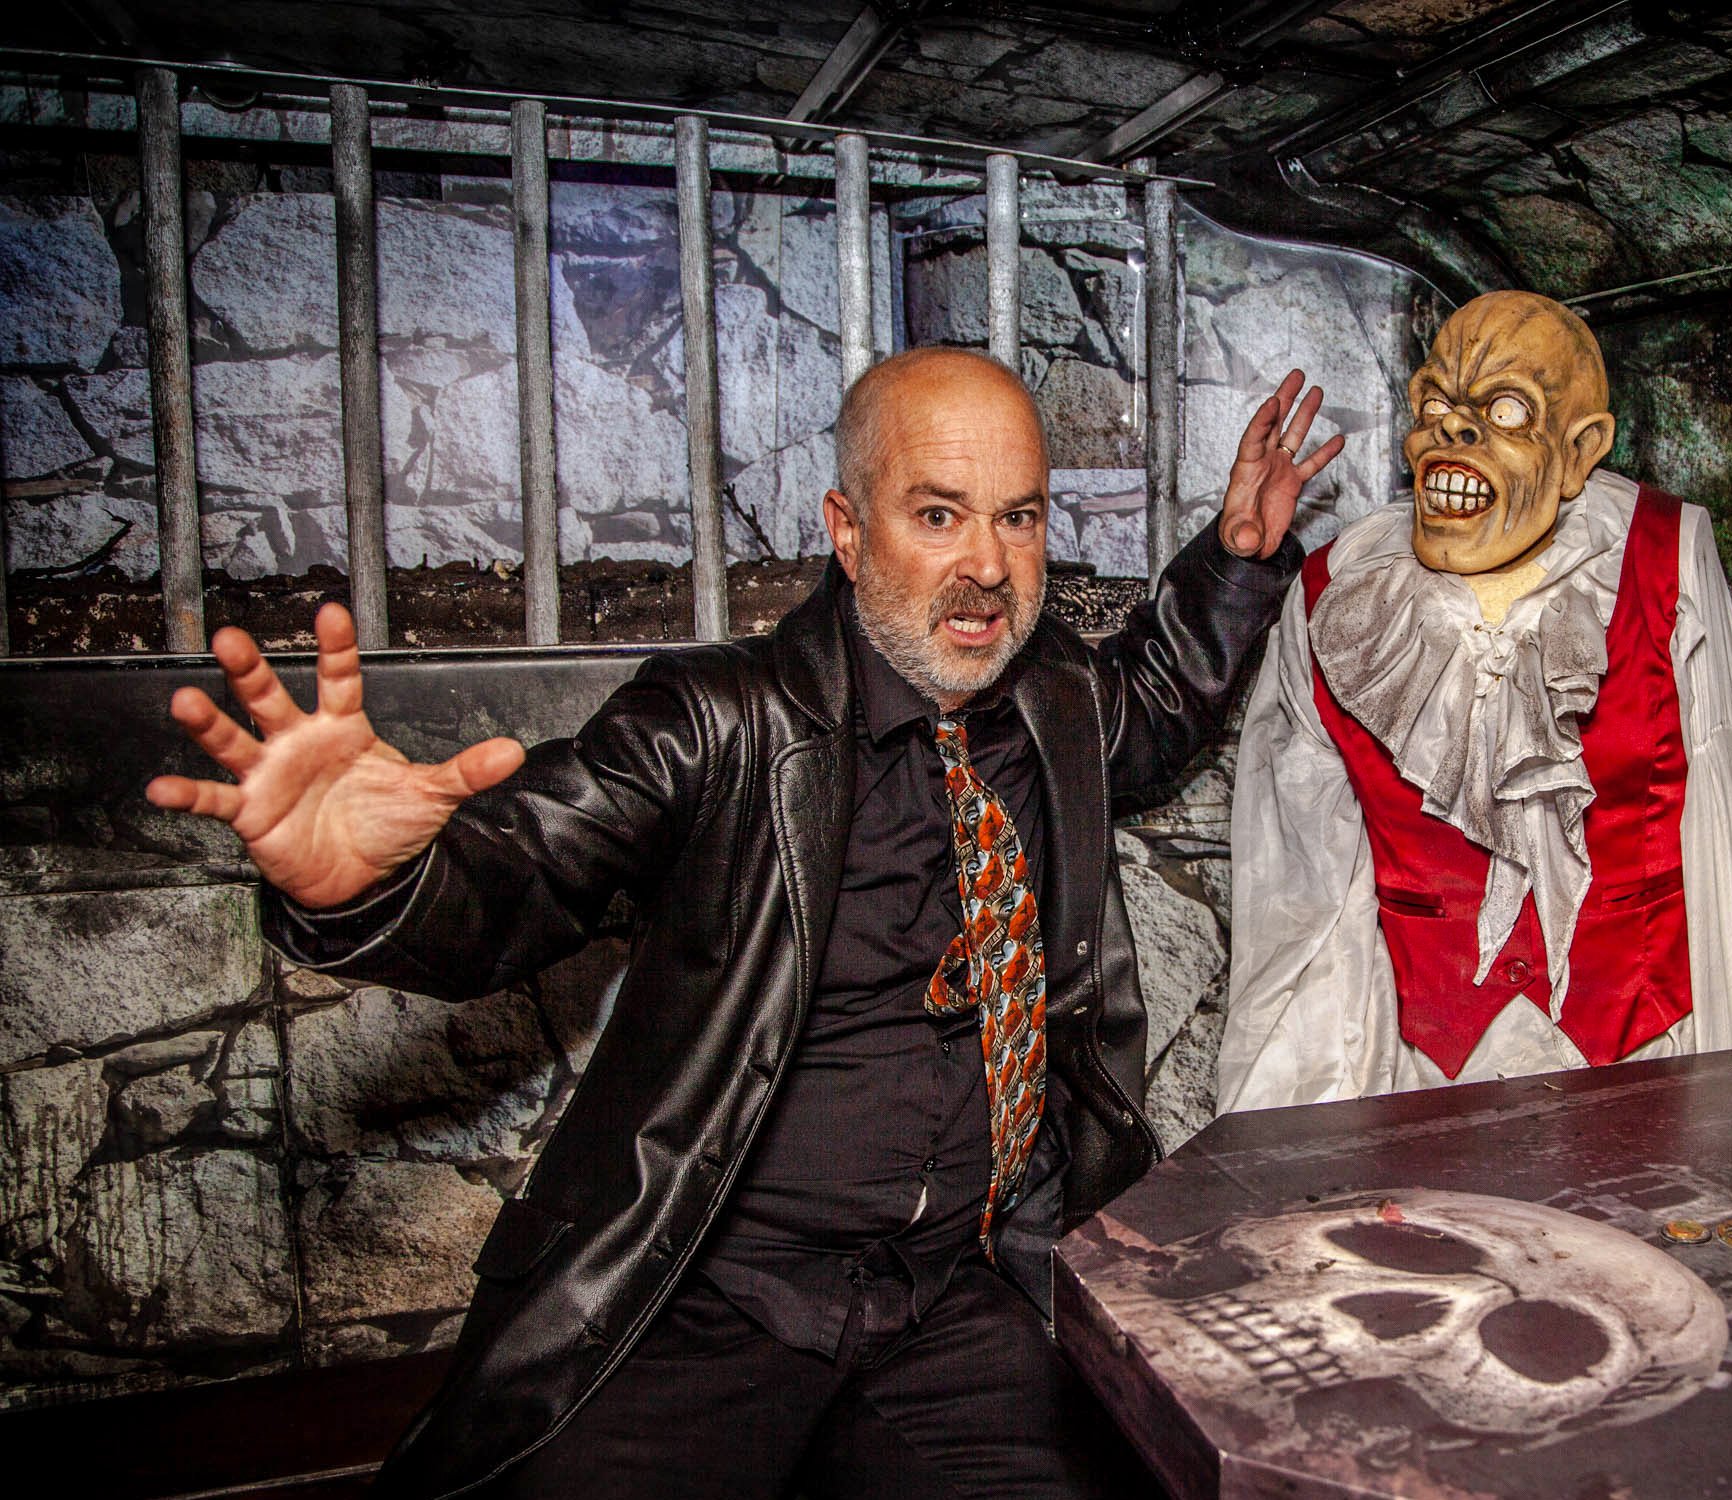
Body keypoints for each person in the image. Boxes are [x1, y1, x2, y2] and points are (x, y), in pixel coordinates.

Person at [146, 347, 1342, 1499]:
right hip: (707, 1295)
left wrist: (1239, 557)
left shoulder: (1054, 703)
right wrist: (356, 883)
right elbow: (519, 875)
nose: (986, 565)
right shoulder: (716, 721)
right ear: (844, 527)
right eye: (938, 516)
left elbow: (1158, 695)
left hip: (965, 1293)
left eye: (1018, 518)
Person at [1217, 291, 1732, 1113]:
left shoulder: (1662, 568)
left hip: (1650, 1082)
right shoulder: (1339, 602)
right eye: (1434, 404)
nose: (1453, 434)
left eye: (1504, 409)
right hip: (1425, 1092)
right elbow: (1306, 908)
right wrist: (1305, 1148)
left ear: (1581, 451)